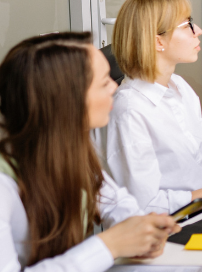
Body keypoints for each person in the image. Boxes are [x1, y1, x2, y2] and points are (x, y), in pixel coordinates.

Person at [0, 32, 181, 271]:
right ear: (67, 100)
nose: (114, 87)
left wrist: (142, 230)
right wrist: (109, 245)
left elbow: (114, 201)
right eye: (104, 81)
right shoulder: (4, 183)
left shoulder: (67, 150)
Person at [100, 0, 202, 213]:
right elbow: (145, 205)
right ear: (158, 41)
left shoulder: (180, 87)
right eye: (187, 24)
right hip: (169, 227)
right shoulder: (130, 111)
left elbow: (199, 160)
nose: (198, 31)